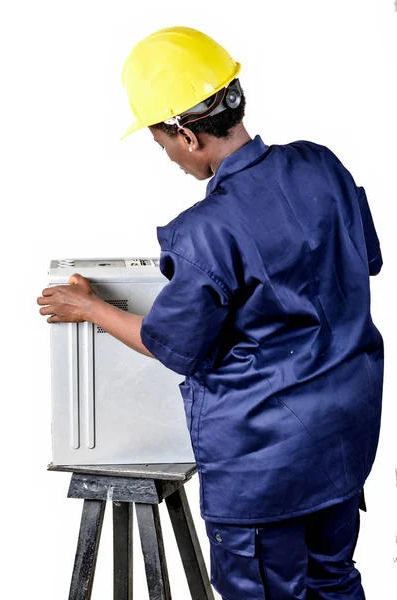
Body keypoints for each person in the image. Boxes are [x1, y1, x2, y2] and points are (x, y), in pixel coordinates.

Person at [37, 26, 384, 600]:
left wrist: (89, 306)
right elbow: (363, 260)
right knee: (333, 578)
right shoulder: (322, 166)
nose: (170, 157)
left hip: (264, 466)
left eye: (163, 144)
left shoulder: (208, 231)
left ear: (187, 135)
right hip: (343, 444)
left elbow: (169, 342)